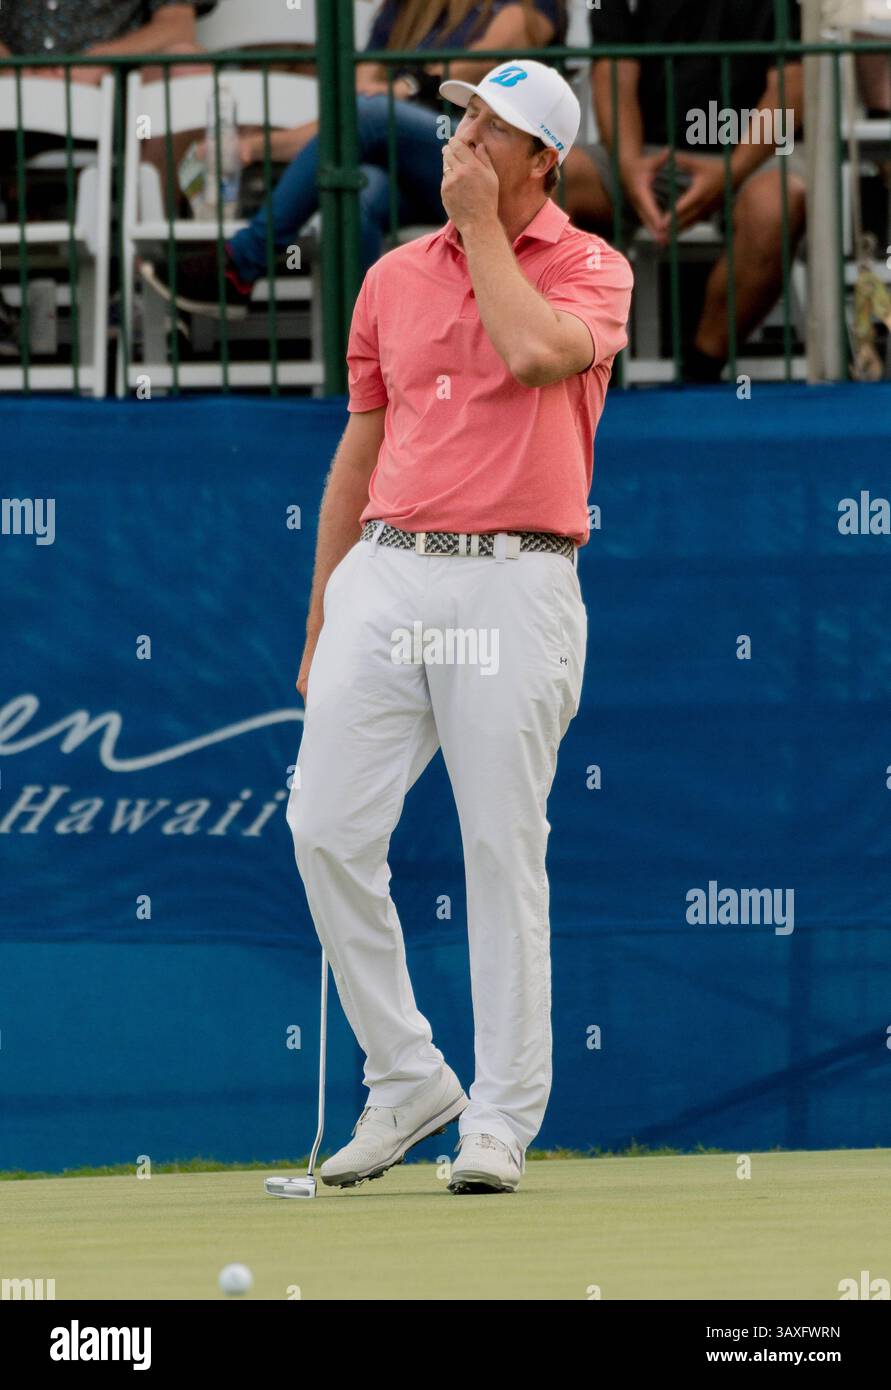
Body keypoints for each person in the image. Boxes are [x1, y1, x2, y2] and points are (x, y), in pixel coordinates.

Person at [282, 60, 633, 1196]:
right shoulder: (390, 275)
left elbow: (536, 355)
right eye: (464, 115)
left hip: (514, 579)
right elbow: (361, 449)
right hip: (389, 571)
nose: (463, 135)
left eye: (493, 127)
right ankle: (406, 1076)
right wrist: (326, 605)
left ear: (543, 162)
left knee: (499, 848)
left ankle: (498, 1119)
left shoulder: (593, 269)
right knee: (324, 826)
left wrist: (482, 229)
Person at [138, 0, 567, 316]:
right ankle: (368, 364)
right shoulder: (403, 10)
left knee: (372, 117)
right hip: (424, 179)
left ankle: (242, 263)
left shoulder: (525, 7)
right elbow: (354, 106)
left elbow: (484, 62)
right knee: (362, 186)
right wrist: (253, 149)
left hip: (492, 172)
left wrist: (406, 88)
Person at [560, 0, 806, 383]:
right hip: (647, 156)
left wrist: (733, 170)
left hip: (750, 157)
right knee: (557, 179)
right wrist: (629, 167)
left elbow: (789, 86)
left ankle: (700, 373)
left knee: (778, 203)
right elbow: (613, 74)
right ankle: (573, 357)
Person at [0, 1, 215, 358]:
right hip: (12, 94)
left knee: (186, 64)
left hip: (119, 95)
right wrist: (15, 70)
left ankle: (144, 285)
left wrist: (99, 59)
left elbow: (178, 25)